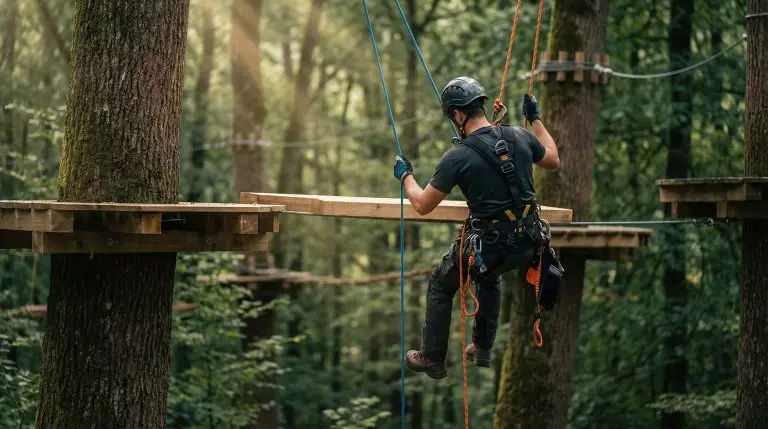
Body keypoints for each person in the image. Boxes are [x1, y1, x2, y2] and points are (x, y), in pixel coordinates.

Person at [392, 76, 560, 379]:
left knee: (442, 281)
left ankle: (432, 358)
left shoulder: (457, 157)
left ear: (458, 115)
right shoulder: (520, 136)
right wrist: (534, 118)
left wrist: (406, 176)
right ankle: (482, 347)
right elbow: (553, 159)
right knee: (488, 272)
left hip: (492, 247)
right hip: (528, 244)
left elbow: (422, 204)